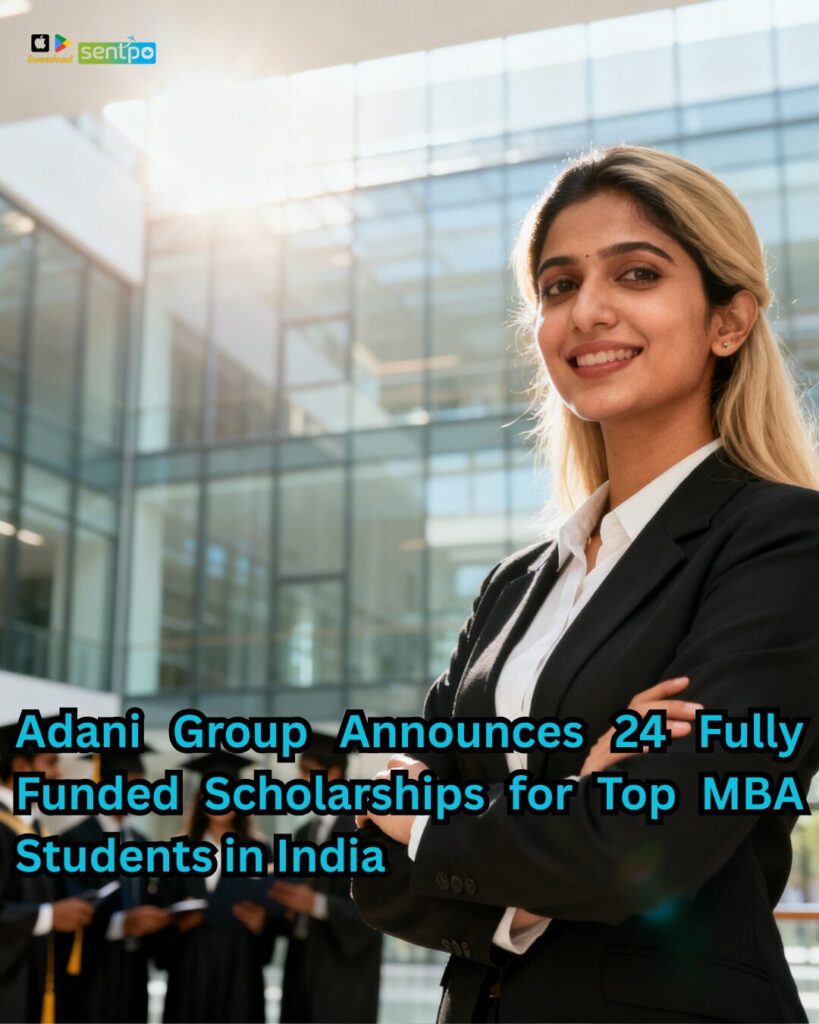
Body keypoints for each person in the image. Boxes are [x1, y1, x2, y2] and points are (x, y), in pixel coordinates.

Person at [352, 145, 819, 1023]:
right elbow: (365, 873)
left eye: (636, 273)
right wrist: (562, 813)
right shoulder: (514, 586)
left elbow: (642, 843)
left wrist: (422, 823)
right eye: (558, 286)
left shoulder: (783, 544)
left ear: (729, 321)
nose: (587, 311)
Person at [155, 751, 284, 1023]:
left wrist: (261, 924)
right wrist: (178, 923)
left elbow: (275, 919)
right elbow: (161, 912)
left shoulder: (260, 851)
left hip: (241, 965)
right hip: (190, 965)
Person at [270, 732, 383, 1023]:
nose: (300, 779)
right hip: (300, 970)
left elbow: (378, 911)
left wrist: (317, 904)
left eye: (307, 771)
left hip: (342, 977)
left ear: (333, 773)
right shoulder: (303, 833)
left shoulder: (366, 833)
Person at [57, 748, 172, 1023]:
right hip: (92, 968)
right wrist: (121, 923)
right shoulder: (75, 840)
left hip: (133, 967)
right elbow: (71, 905)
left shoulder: (142, 843)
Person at [0, 715, 94, 1023]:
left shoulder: (34, 830)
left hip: (33, 985)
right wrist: (49, 916)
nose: (58, 772)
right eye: (50, 761)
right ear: (20, 766)